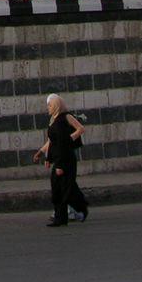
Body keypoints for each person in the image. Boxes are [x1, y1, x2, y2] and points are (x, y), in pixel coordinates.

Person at [33, 93, 89, 226]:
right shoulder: (53, 120)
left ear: (57, 105)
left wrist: (70, 139)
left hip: (65, 159)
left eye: (50, 105)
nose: (48, 108)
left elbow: (80, 129)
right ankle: (63, 216)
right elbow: (52, 142)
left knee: (66, 188)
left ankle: (78, 209)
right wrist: (43, 154)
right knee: (60, 188)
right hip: (58, 157)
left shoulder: (66, 117)